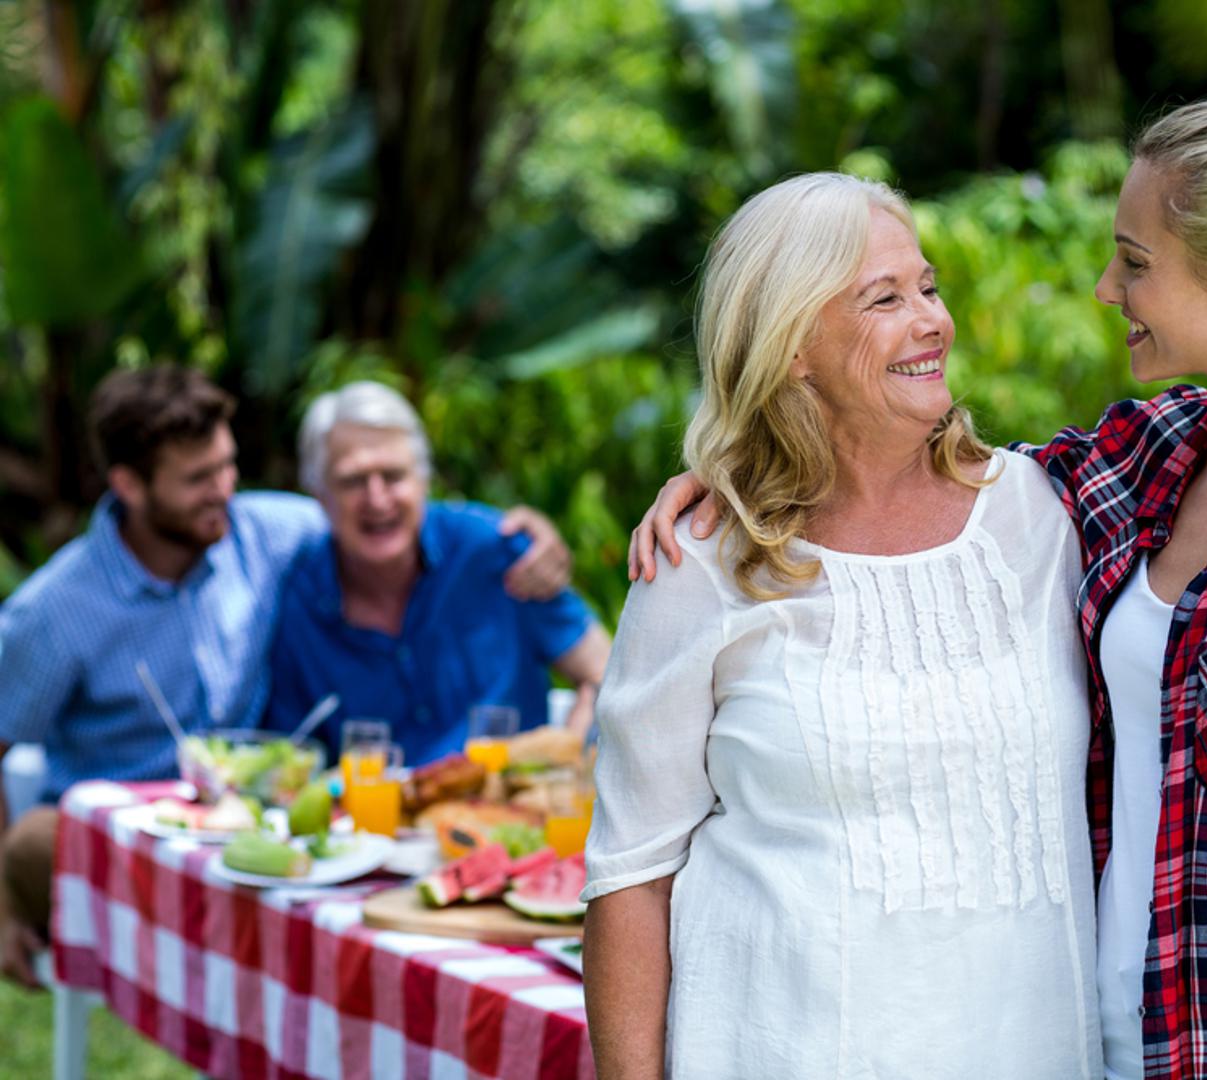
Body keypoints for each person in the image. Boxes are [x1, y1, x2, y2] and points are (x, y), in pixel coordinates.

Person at [630, 97, 1207, 1079]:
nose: (1104, 287)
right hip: (1113, 1047)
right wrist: (740, 466)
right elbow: (906, 484)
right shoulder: (1143, 462)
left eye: (1135, 262)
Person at [582, 173, 1102, 1079]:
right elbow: (631, 874)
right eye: (884, 299)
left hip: (1036, 1049)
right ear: (791, 348)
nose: (933, 320)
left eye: (929, 288)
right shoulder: (700, 562)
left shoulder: (1043, 515)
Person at [0, 365, 572, 988]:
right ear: (129, 486)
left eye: (227, 466)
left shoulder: (265, 531)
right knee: (36, 840)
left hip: (251, 841)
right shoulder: (56, 610)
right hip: (122, 847)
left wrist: (523, 536)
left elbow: (390, 514)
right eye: (198, 479)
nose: (224, 490)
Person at [263, 381, 610, 764]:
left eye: (393, 476)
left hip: (510, 816)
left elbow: (607, 673)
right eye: (353, 481)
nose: (377, 500)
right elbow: (291, 758)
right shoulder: (300, 603)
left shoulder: (494, 550)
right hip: (372, 822)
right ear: (319, 495)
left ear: (424, 480)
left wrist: (566, 759)